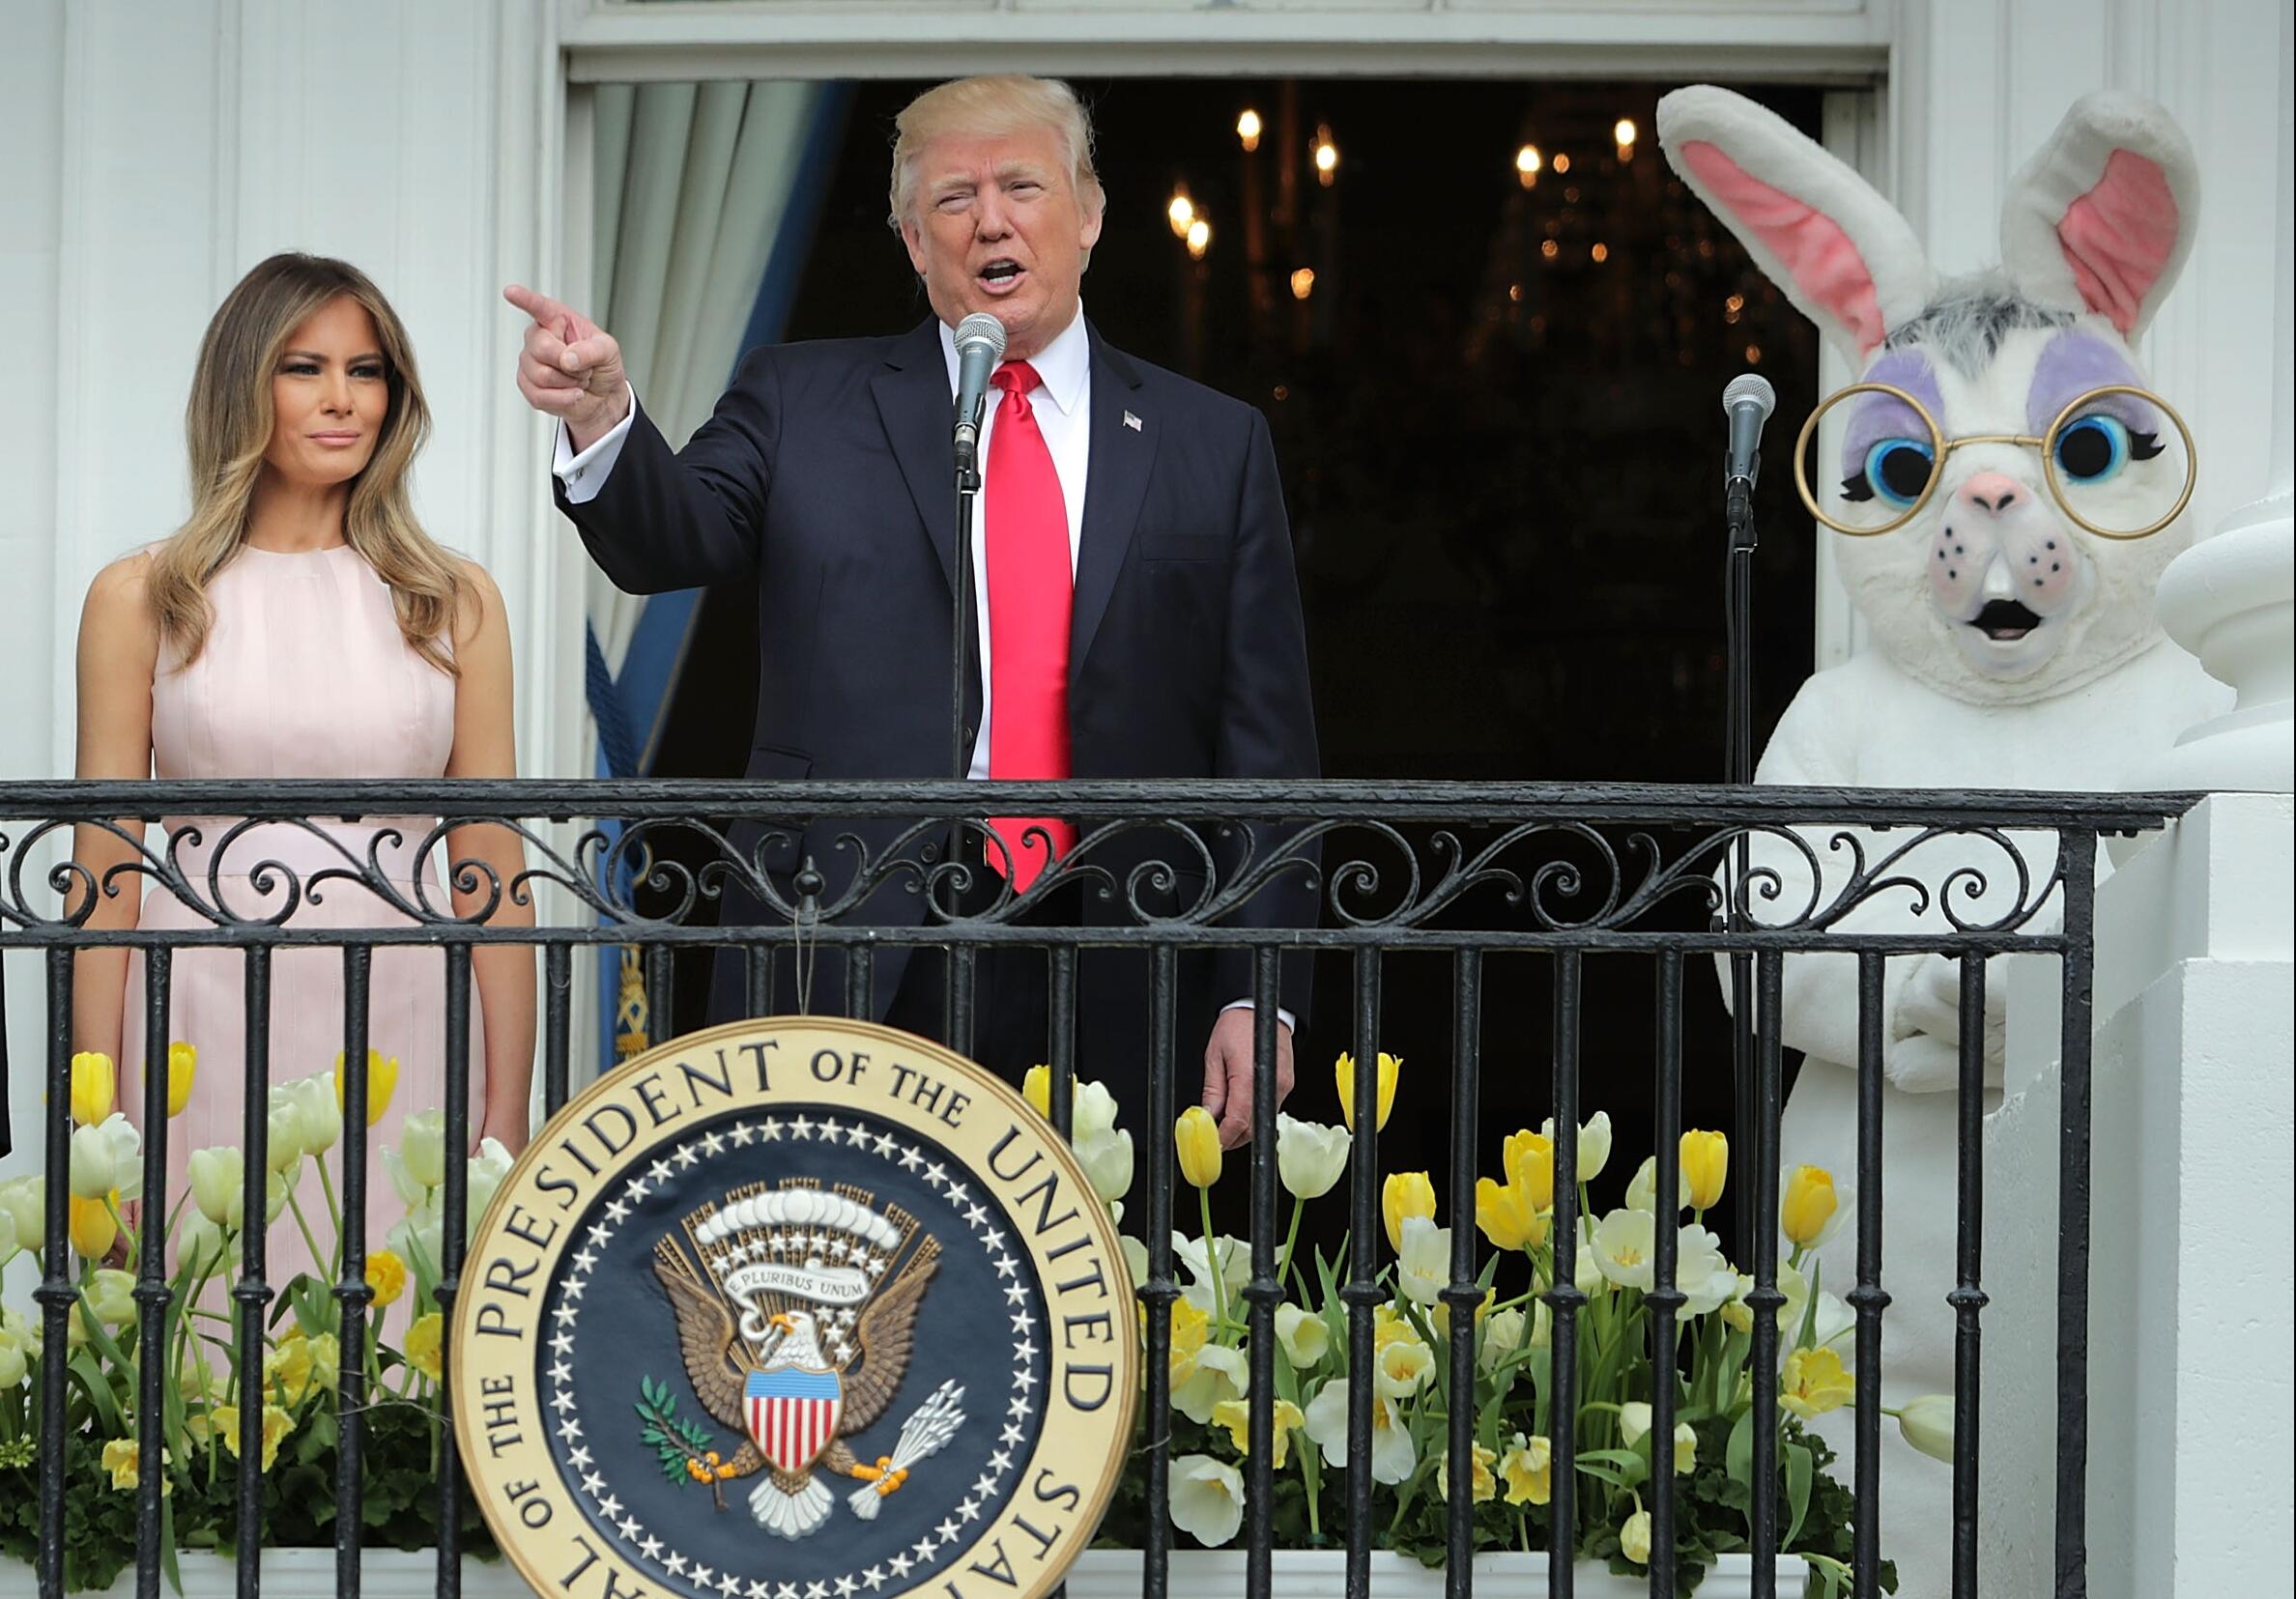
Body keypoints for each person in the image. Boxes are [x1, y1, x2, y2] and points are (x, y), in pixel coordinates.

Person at [506, 74, 1318, 1157]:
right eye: (953, 197)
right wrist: (608, 417)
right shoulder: (800, 398)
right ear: (910, 240)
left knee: (1098, 1303)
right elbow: (672, 538)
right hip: (845, 929)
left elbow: (1266, 748)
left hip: (1117, 940)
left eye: (1022, 185)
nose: (991, 218)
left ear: (1089, 214)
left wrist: (1258, 991)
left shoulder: (1211, 444)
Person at [72, 252, 536, 1283]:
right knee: (198, 1340)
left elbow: (493, 865)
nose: (342, 400)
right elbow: (102, 867)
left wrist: (507, 1109)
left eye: (367, 371)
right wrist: (89, 1125)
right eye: (305, 367)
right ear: (245, 385)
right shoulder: (142, 596)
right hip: (196, 1004)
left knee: (402, 1336)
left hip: (411, 1002)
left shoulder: (454, 599)